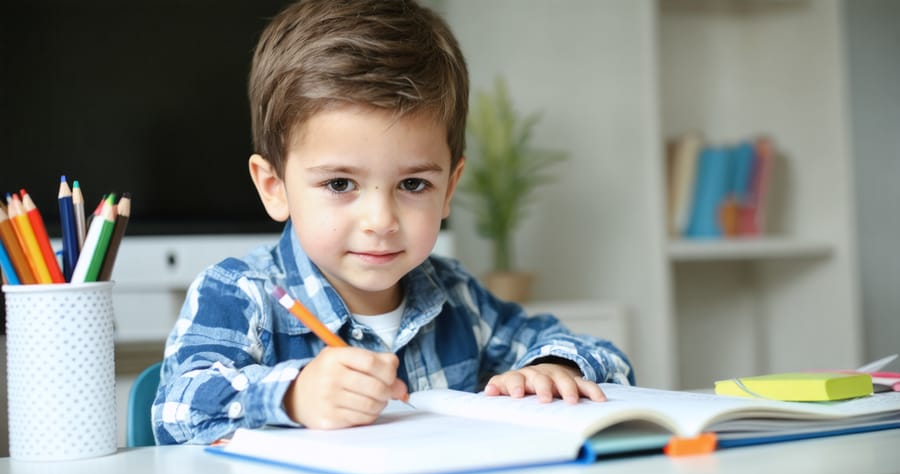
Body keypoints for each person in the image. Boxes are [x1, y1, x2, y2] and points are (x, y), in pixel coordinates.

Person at [152, 0, 633, 445]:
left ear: (449, 187)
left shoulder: (457, 297)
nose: (381, 221)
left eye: (413, 185)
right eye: (340, 184)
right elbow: (177, 409)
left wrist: (552, 366)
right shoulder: (240, 294)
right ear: (274, 186)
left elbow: (600, 353)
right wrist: (293, 397)